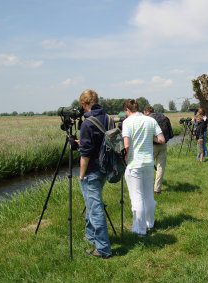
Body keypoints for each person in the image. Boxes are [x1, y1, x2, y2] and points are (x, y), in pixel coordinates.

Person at [122, 99, 165, 237]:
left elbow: (126, 145)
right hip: (148, 163)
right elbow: (161, 139)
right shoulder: (150, 120)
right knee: (148, 196)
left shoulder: (127, 122)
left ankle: (139, 230)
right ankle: (150, 223)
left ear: (127, 110)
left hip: (134, 164)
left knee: (136, 198)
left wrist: (125, 160)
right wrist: (148, 138)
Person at [78, 89, 112, 259]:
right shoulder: (107, 118)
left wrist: (81, 175)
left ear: (85, 104)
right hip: (105, 169)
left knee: (95, 208)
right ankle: (90, 236)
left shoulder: (86, 124)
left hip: (91, 171)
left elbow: (85, 154)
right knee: (92, 205)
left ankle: (103, 248)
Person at [143, 105, 174, 194]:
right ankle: (157, 189)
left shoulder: (147, 119)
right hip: (163, 145)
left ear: (145, 112)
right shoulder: (164, 117)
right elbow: (171, 134)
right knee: (160, 168)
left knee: (147, 167)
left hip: (151, 146)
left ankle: (146, 188)